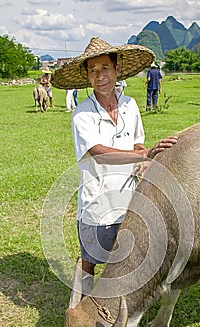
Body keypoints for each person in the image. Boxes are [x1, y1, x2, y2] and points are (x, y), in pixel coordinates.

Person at [51, 37, 178, 294]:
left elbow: (137, 145)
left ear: (117, 68)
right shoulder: (82, 114)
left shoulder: (130, 106)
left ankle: (118, 300)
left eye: (105, 68)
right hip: (97, 202)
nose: (100, 76)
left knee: (127, 256)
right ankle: (81, 302)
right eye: (93, 70)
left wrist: (153, 154)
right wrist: (144, 155)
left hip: (130, 200)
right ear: (87, 76)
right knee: (91, 258)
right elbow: (99, 153)